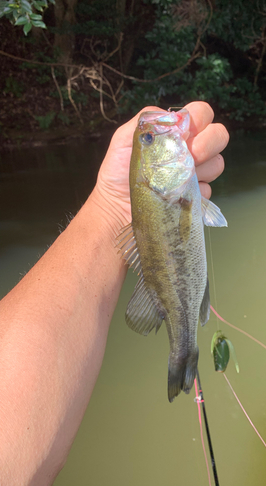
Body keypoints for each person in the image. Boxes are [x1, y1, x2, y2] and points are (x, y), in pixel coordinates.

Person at [0, 101, 229, 486]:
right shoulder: (167, 192)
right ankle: (183, 351)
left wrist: (110, 207)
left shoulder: (158, 190)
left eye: (150, 137)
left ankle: (182, 351)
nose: (154, 132)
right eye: (152, 139)